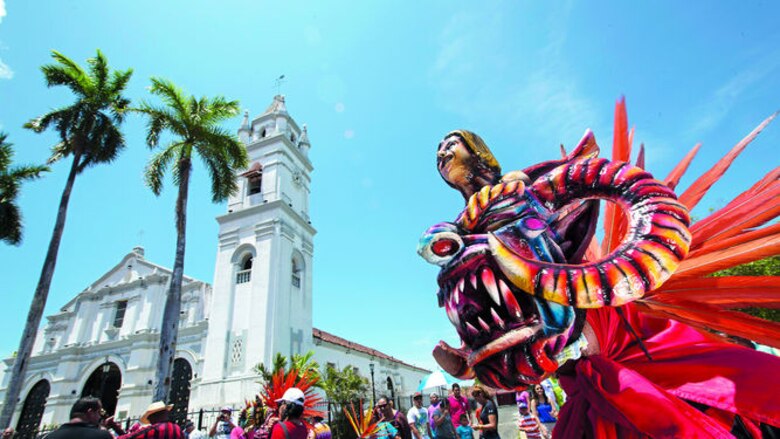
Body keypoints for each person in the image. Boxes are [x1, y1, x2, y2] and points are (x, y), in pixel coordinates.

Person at [45, 396, 114, 439]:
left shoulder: (49, 436)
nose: (99, 417)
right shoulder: (102, 436)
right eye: (98, 412)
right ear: (90, 413)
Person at [118, 401, 183, 438]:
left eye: (149, 418)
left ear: (154, 417)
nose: (149, 420)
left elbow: (130, 437)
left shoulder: (152, 429)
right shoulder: (177, 428)